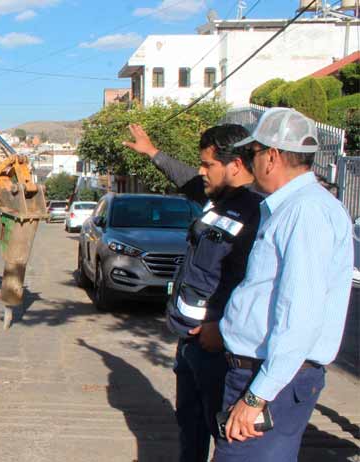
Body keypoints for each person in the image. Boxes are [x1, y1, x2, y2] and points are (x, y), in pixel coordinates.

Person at [214, 108, 353, 461]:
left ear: (272, 157)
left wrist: (256, 396)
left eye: (253, 153)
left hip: (269, 378)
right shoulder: (293, 207)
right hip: (260, 373)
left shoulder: (305, 212)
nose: (249, 162)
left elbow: (299, 315)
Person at [124, 123, 263, 462]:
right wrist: (153, 153)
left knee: (223, 432)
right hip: (189, 338)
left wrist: (220, 325)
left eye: (208, 165)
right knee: (189, 424)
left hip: (219, 348)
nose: (201, 171)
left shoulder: (258, 212)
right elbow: (186, 179)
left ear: (235, 165)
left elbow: (254, 282)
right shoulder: (216, 199)